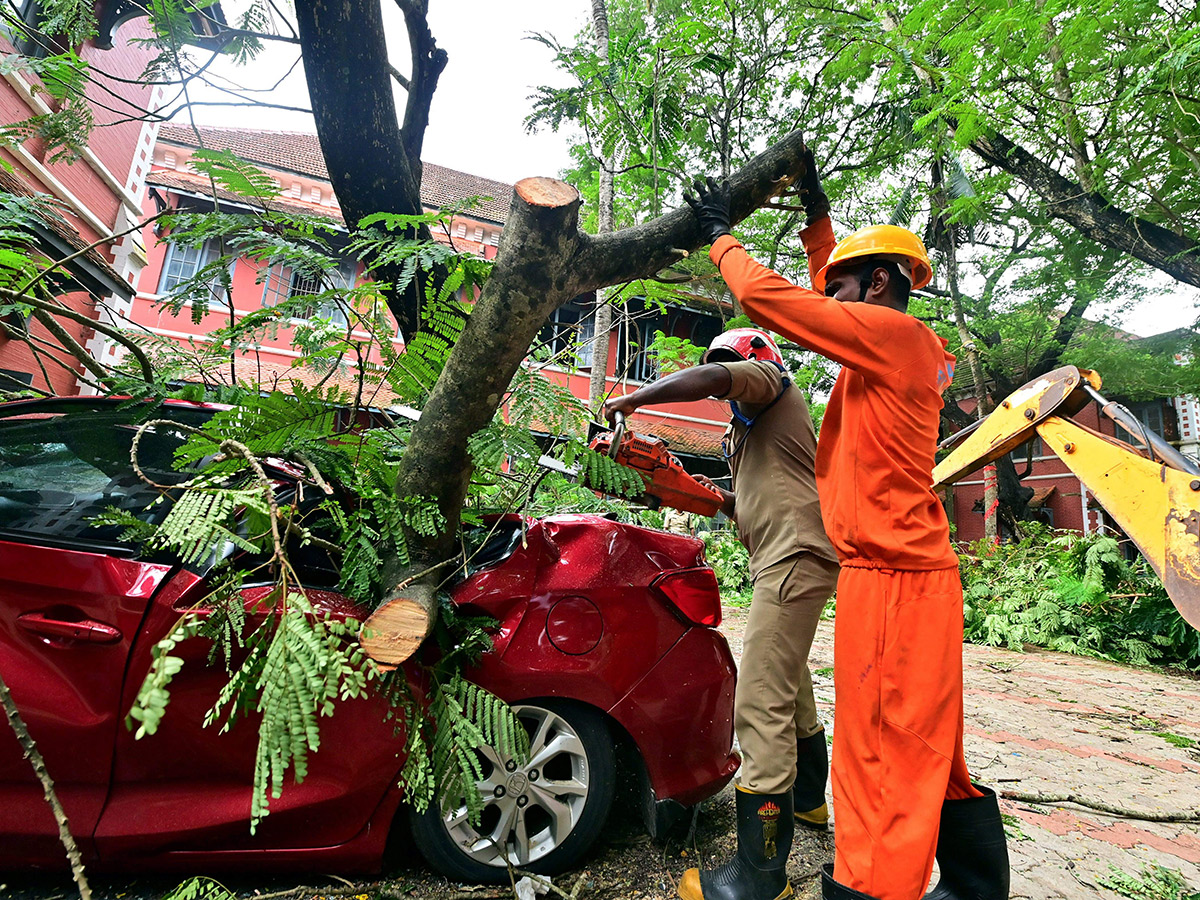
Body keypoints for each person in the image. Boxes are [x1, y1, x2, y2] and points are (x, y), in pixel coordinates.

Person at [681, 152, 1009, 900]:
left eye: (845, 287)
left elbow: (787, 307)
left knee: (879, 759)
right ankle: (969, 887)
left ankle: (868, 890)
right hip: (904, 576)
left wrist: (720, 239)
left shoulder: (891, 341)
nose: (832, 297)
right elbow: (833, 292)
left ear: (882, 286)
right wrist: (817, 221)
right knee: (928, 751)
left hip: (892, 580)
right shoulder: (897, 345)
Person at [603, 328, 840, 900]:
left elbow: (713, 379)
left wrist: (635, 399)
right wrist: (675, 487)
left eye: (727, 367)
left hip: (793, 553)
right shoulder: (749, 432)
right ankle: (808, 800)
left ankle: (759, 876)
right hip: (783, 556)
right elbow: (739, 501)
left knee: (757, 700)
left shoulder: (771, 384)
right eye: (719, 368)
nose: (721, 380)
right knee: (787, 679)